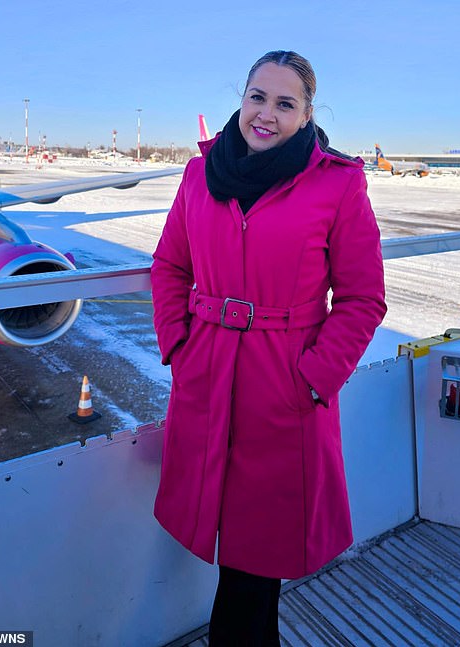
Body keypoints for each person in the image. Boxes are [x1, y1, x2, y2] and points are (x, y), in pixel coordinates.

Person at [151, 50, 386, 645]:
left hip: (283, 385)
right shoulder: (199, 174)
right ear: (242, 98)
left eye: (285, 104)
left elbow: (362, 299)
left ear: (307, 115)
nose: (266, 114)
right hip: (206, 374)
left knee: (256, 564)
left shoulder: (337, 182)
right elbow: (169, 265)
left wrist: (310, 379)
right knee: (232, 554)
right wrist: (179, 344)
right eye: (258, 97)